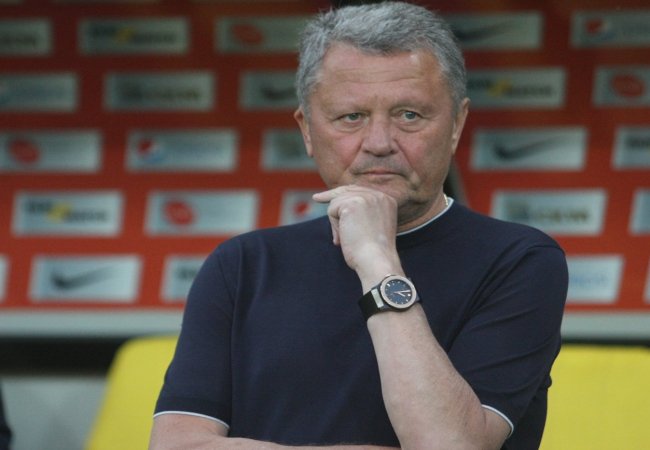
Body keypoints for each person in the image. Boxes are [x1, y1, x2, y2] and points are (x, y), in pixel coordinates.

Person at [150, 2, 568, 449]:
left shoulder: (520, 261)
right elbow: (176, 446)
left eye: (409, 115)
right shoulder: (242, 265)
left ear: (455, 125)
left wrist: (377, 261)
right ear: (307, 130)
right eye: (352, 117)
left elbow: (448, 444)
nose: (379, 143)